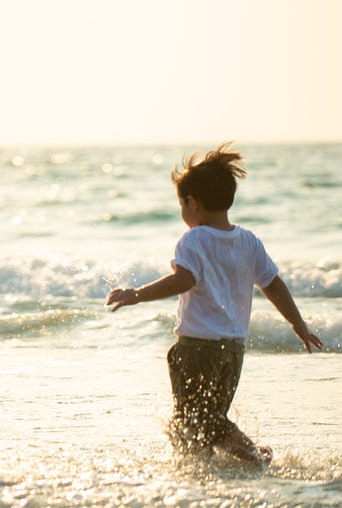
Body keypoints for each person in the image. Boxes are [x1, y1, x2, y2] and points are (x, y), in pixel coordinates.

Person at [106, 143, 322, 466]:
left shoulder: (194, 239)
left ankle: (254, 456)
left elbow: (183, 280)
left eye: (181, 204)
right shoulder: (248, 241)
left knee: (195, 419)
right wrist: (298, 324)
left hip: (197, 348)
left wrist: (137, 294)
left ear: (192, 203)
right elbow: (273, 284)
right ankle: (204, 470)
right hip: (233, 350)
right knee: (206, 419)